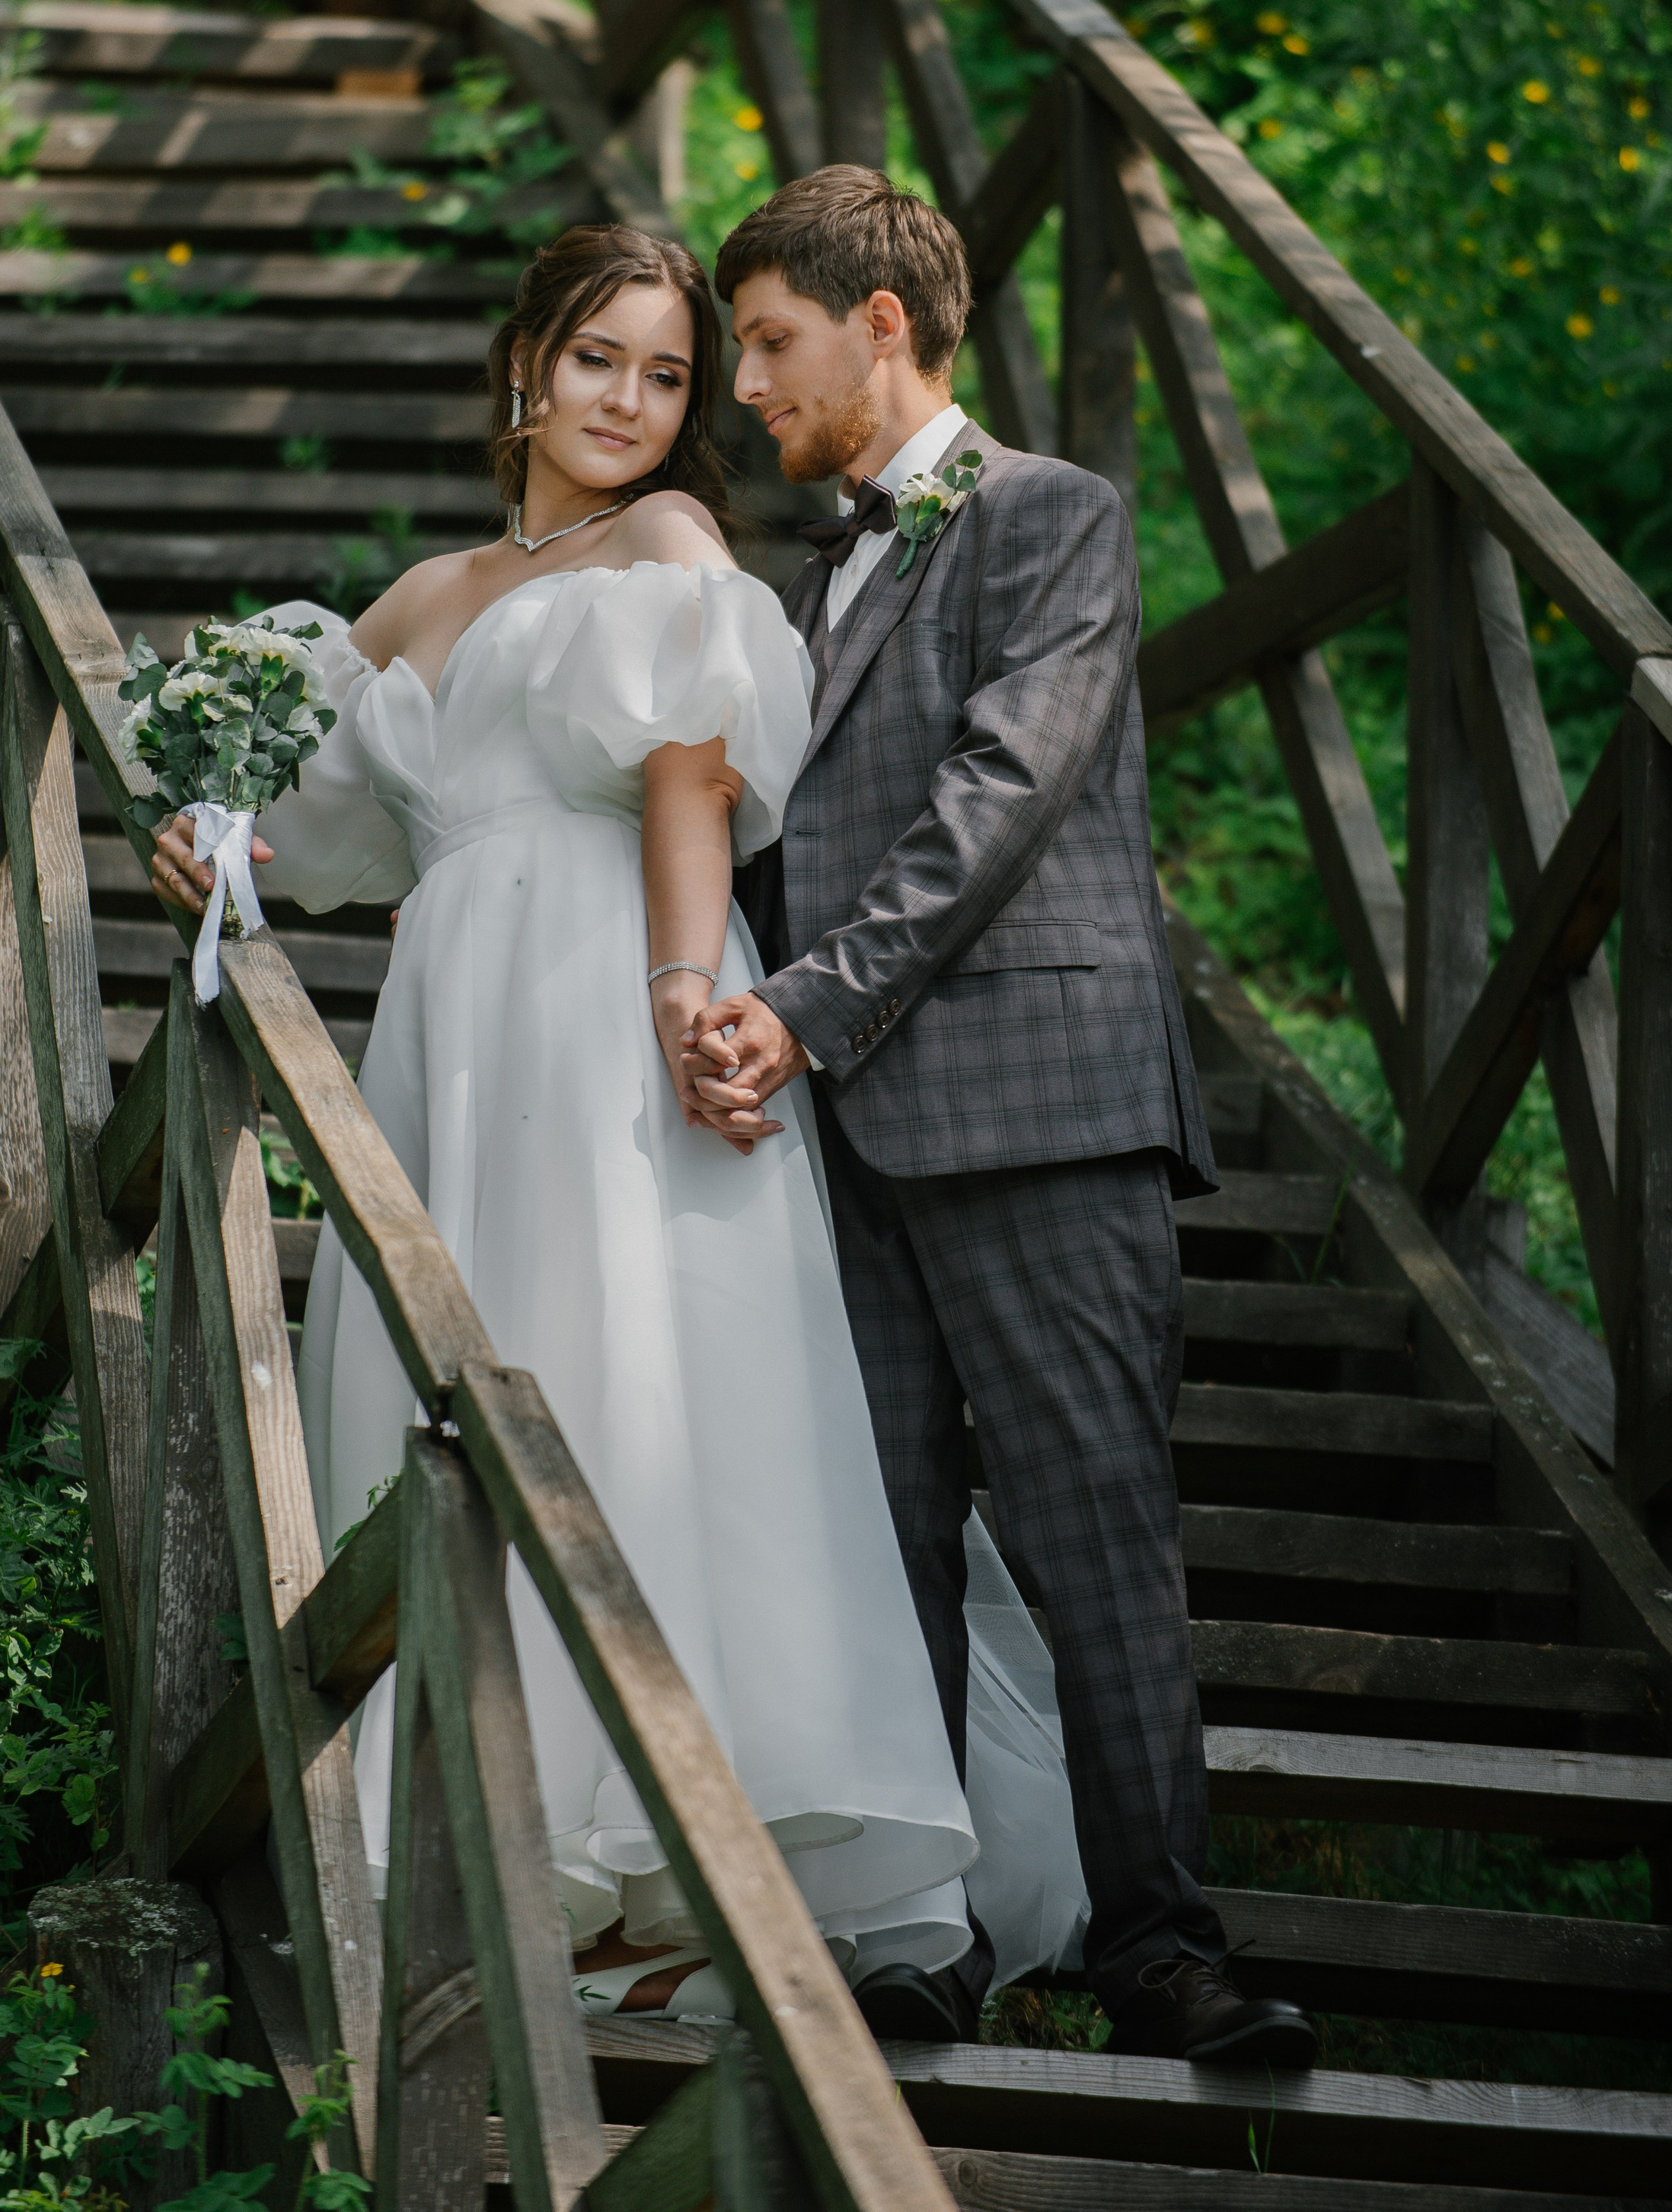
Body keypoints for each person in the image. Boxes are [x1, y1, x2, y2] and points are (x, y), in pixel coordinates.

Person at [149, 222, 1089, 2029]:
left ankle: (660, 1856)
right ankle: (495, 1832)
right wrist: (209, 838)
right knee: (468, 1371)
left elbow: (687, 776)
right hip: (448, 1036)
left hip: (596, 1003)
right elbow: (310, 841)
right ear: (526, 359)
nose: (635, 403)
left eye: (670, 375)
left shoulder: (668, 544)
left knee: (630, 1380)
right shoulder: (417, 599)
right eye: (603, 360)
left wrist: (680, 990)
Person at [684, 165, 1317, 2065]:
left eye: (769, 341)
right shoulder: (806, 574)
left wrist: (793, 1010)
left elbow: (996, 796)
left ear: (884, 322)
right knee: (883, 1548)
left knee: (1089, 1532)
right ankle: (926, 1935)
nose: (741, 389)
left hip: (1037, 1111)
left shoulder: (1050, 516)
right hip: (845, 1148)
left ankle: (1160, 1948)